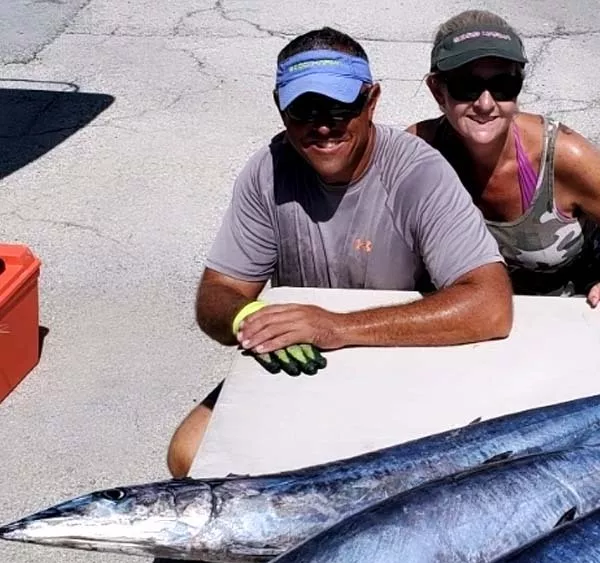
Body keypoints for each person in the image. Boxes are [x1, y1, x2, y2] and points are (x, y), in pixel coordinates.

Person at [167, 26, 513, 478]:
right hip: (305, 362)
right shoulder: (266, 171)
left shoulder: (419, 173)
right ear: (280, 107)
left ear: (371, 102)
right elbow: (217, 292)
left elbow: (491, 305)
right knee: (190, 454)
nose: (324, 124)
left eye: (340, 106)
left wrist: (336, 327)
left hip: (404, 359)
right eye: (304, 109)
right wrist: (243, 319)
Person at [408, 9, 600, 303]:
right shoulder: (420, 150)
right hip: (461, 317)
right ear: (438, 91)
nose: (485, 104)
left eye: (502, 86)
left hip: (559, 320)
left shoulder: (562, 156)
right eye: (466, 87)